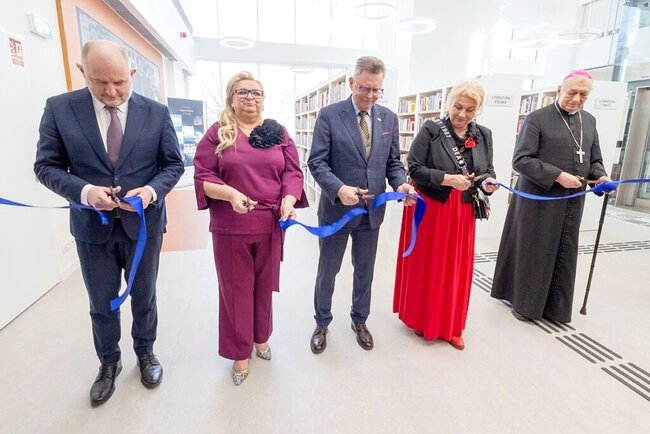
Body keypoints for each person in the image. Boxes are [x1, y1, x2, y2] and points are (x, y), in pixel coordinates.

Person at [34, 40, 184, 406]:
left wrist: (150, 192)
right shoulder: (59, 109)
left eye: (119, 82)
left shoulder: (156, 112)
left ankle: (145, 353)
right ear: (82, 72)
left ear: (131, 73)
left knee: (144, 296)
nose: (112, 91)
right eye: (100, 82)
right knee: (101, 301)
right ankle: (108, 362)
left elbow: (173, 165)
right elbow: (46, 166)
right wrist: (85, 192)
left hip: (143, 226)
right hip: (92, 227)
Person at [193, 71, 307, 385]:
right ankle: (239, 352)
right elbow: (203, 176)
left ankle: (260, 338)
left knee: (263, 286)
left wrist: (289, 198)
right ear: (231, 98)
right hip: (231, 227)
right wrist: (230, 194)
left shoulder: (278, 132)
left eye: (256, 92)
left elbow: (293, 172)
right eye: (242, 92)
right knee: (235, 290)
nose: (250, 98)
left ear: (263, 99)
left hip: (270, 224)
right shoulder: (218, 133)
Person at [307, 56, 416, 354]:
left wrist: (400, 184)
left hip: (372, 213)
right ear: (352, 82)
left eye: (376, 90)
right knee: (328, 271)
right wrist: (338, 189)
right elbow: (317, 162)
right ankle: (322, 323)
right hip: (337, 212)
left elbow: (393, 163)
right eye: (364, 88)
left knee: (364, 271)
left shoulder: (389, 118)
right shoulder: (329, 115)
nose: (370, 95)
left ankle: (360, 320)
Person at [491, 70, 611, 324]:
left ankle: (555, 308)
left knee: (564, 250)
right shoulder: (537, 118)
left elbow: (594, 159)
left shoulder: (589, 121)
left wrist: (600, 176)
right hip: (539, 199)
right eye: (572, 92)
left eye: (583, 95)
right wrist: (557, 175)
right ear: (559, 90)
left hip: (572, 200)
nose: (577, 99)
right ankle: (524, 304)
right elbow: (521, 160)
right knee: (536, 249)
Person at [393, 81, 498, 350]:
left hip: (462, 211)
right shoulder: (430, 130)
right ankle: (421, 318)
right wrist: (447, 179)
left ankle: (450, 325)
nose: (462, 114)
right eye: (458, 107)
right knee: (429, 264)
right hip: (432, 207)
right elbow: (414, 169)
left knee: (455, 268)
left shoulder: (484, 134)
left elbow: (487, 170)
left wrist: (488, 183)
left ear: (478, 110)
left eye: (470, 110)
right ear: (449, 103)